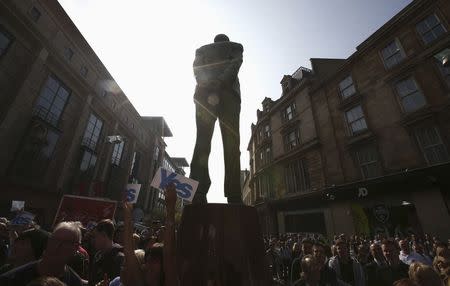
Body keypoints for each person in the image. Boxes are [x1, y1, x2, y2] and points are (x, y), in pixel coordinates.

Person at [190, 34, 244, 204]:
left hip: (204, 95)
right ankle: (234, 194)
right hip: (229, 95)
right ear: (226, 41)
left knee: (202, 142)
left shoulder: (201, 50)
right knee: (232, 145)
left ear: (214, 42)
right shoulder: (236, 47)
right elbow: (235, 64)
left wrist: (206, 82)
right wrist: (221, 81)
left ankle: (199, 191)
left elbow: (197, 68)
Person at [0, 221, 84, 286]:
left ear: (76, 248)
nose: (57, 246)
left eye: (66, 243)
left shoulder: (74, 282)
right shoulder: (12, 278)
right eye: (55, 240)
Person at [88, 219, 124, 286]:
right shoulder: (98, 255)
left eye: (95, 236)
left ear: (104, 235)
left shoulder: (118, 259)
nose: (93, 240)